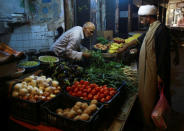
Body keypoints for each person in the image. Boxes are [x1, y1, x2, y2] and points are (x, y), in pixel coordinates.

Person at [118, 5, 171, 130]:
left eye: (142, 18)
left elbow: (163, 54)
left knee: (152, 96)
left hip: (154, 71)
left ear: (148, 17)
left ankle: (151, 123)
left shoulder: (160, 30)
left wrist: (160, 75)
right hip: (146, 70)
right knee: (145, 94)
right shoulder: (151, 28)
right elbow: (139, 40)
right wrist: (125, 45)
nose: (141, 20)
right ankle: (146, 119)